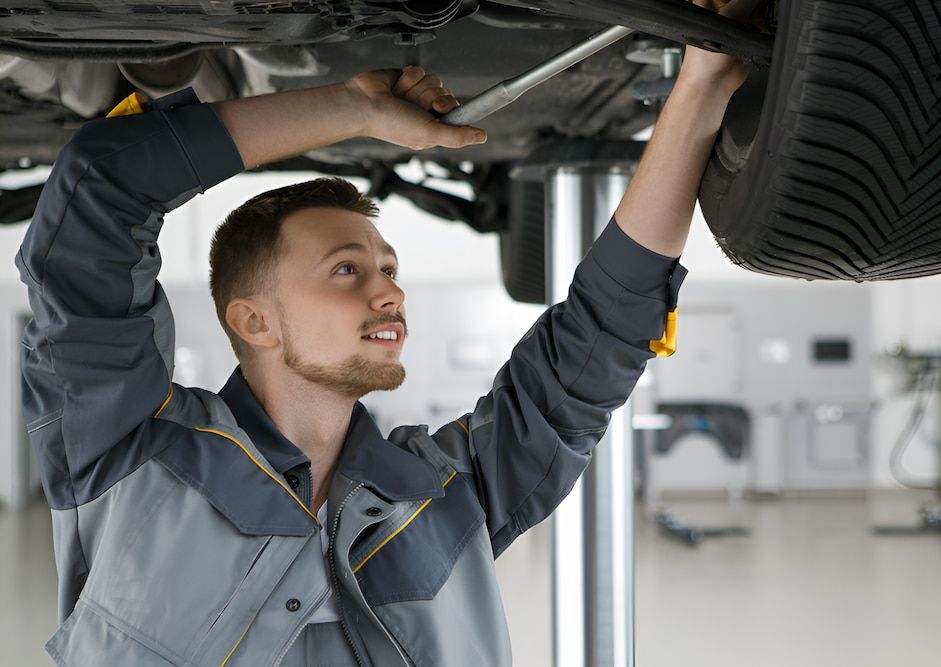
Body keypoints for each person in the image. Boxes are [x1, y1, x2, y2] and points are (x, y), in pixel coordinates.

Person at [17, 1, 758, 664]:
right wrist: (350, 108)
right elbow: (96, 196)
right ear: (253, 319)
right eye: (348, 270)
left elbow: (602, 335)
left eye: (389, 267)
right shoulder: (127, 452)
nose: (389, 291)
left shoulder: (447, 496)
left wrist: (698, 89)